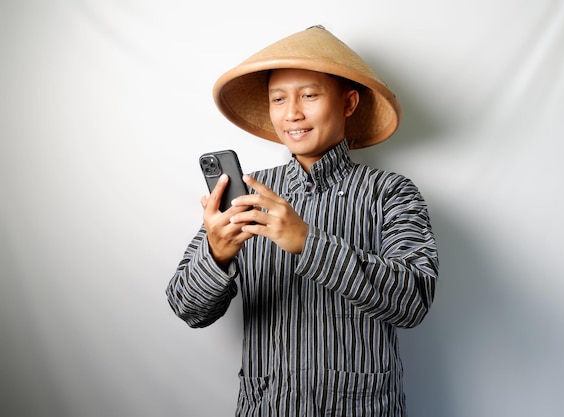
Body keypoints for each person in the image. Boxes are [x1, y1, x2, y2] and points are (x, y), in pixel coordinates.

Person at [166, 25, 438, 417]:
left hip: (364, 409)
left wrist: (307, 242)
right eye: (278, 99)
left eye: (309, 95)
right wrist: (216, 253)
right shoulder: (245, 195)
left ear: (348, 103)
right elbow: (186, 307)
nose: (292, 113)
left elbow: (414, 300)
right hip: (266, 407)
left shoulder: (391, 193)